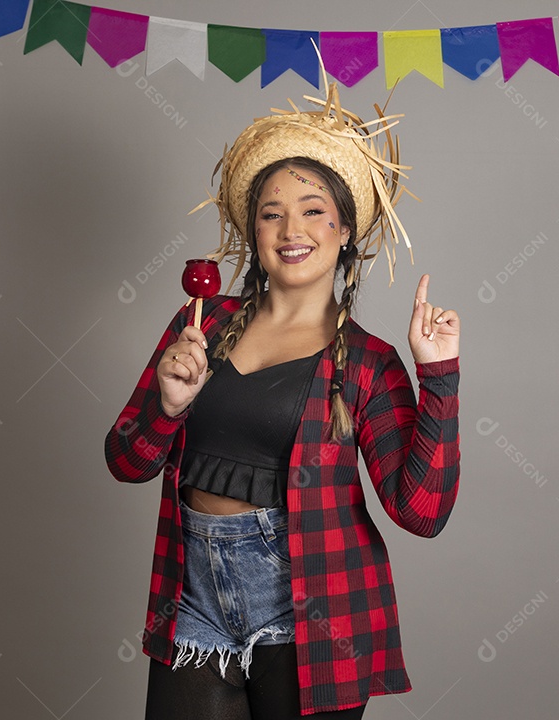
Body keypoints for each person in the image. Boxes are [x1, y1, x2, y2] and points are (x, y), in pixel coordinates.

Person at [103, 69, 461, 720]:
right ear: (254, 230)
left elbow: (422, 512)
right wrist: (168, 407)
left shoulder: (370, 366)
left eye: (313, 211)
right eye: (272, 212)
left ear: (346, 230)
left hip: (313, 611)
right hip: (194, 600)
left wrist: (438, 374)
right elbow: (125, 459)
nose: (290, 228)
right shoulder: (199, 325)